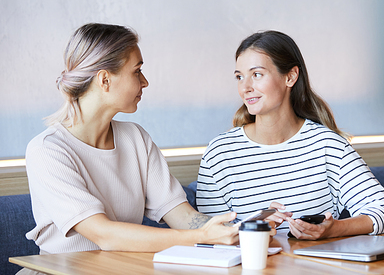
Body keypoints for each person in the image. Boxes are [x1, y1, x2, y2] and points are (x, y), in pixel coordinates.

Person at [23, 23, 239, 262]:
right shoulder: (48, 151)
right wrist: (201, 237)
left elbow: (181, 215)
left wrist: (239, 232)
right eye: (137, 71)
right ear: (104, 79)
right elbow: (104, 235)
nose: (145, 82)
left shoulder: (136, 139)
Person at [196, 30, 384, 240]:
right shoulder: (220, 153)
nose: (245, 88)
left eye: (257, 74)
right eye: (239, 77)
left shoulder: (328, 146)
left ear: (290, 77)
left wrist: (334, 229)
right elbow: (209, 237)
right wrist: (255, 227)